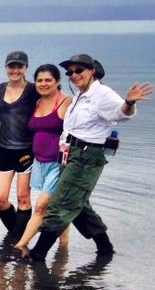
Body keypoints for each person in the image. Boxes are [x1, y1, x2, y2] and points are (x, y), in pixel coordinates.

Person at [27, 54, 152, 261]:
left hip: (86, 156)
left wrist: (129, 102)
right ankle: (105, 248)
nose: (74, 75)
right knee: (80, 204)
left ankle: (38, 253)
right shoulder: (78, 95)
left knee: (62, 203)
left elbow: (122, 114)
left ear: (92, 71)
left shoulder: (101, 93)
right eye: (70, 72)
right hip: (69, 154)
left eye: (79, 71)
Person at [13, 64, 72, 253]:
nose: (43, 84)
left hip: (58, 162)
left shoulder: (66, 102)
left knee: (40, 206)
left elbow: (84, 125)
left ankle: (21, 244)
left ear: (58, 82)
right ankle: (63, 248)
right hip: (39, 162)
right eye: (39, 80)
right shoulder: (37, 102)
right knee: (56, 207)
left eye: (48, 80)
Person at [0, 51, 40, 237]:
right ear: (6, 68)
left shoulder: (33, 90)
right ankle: (18, 235)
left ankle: (18, 242)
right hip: (4, 149)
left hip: (26, 150)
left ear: (26, 68)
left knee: (23, 198)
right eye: (11, 66)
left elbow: (50, 105)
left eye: (19, 66)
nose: (15, 70)